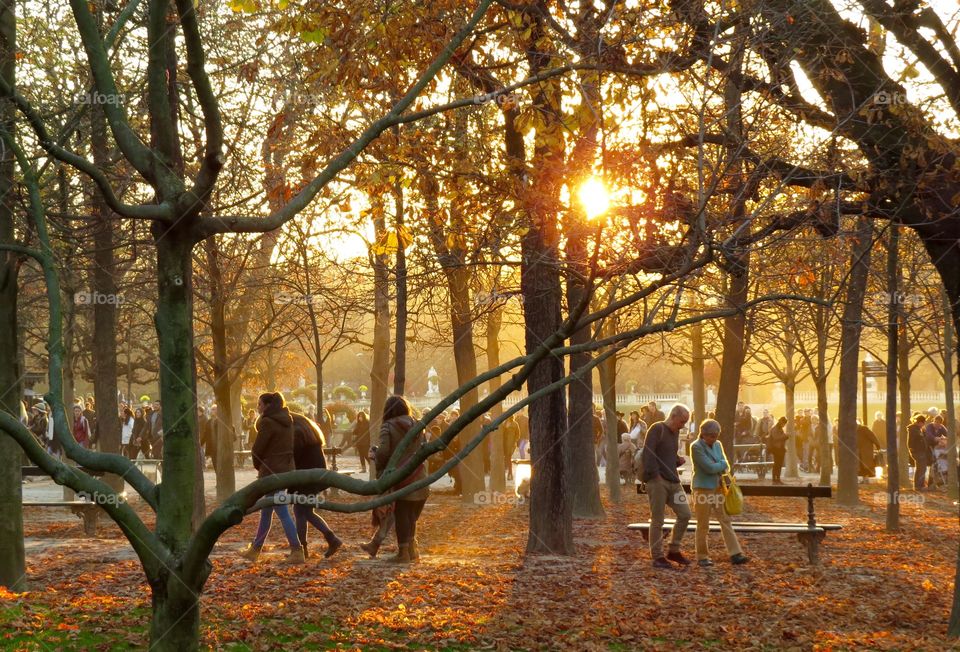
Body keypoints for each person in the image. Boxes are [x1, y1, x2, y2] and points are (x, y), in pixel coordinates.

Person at [240, 392, 304, 564]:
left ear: (268, 406)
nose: (257, 407)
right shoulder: (287, 420)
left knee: (281, 510)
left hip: (271, 470)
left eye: (260, 404)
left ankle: (297, 550)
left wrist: (259, 466)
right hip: (285, 468)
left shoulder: (267, 422)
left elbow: (257, 449)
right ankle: (255, 549)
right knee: (266, 510)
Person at [373, 395, 429, 563]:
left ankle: (403, 553)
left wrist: (375, 456)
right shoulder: (418, 424)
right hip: (420, 475)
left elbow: (383, 452)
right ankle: (412, 550)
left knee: (402, 514)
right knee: (412, 516)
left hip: (401, 477)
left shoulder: (388, 426)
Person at [690, 419, 748, 567]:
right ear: (703, 434)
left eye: (716, 436)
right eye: (711, 436)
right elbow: (708, 468)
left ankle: (735, 553)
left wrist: (720, 464)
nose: (714, 439)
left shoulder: (718, 444)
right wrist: (720, 464)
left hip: (718, 488)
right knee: (703, 524)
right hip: (702, 489)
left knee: (725, 520)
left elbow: (726, 464)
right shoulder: (696, 447)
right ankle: (702, 556)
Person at [640, 404, 692, 569]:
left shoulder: (675, 433)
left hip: (674, 481)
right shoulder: (657, 429)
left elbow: (667, 453)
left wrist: (677, 460)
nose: (683, 425)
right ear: (673, 416)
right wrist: (656, 475)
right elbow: (648, 453)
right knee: (658, 519)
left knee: (685, 514)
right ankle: (658, 556)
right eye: (682, 421)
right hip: (658, 481)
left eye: (685, 422)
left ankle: (673, 550)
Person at [290, 411, 342, 559]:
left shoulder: (297, 432)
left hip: (306, 477)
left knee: (300, 511)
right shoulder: (309, 430)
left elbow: (295, 456)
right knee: (306, 511)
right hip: (315, 475)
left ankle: (303, 548)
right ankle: (330, 539)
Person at [924, 415, 949, 488]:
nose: (936, 424)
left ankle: (939, 482)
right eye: (935, 422)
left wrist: (944, 439)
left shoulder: (942, 428)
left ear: (941, 423)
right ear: (933, 421)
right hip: (928, 447)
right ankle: (930, 483)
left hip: (937, 449)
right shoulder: (929, 426)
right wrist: (936, 438)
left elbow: (947, 435)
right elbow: (929, 435)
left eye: (938, 423)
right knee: (932, 464)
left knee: (939, 464)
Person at [907, 414, 930, 490]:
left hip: (919, 451)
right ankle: (920, 486)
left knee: (919, 468)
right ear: (920, 422)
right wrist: (913, 449)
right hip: (918, 451)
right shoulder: (914, 430)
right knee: (922, 469)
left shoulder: (917, 429)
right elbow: (911, 441)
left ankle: (917, 486)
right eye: (923, 423)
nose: (924, 424)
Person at [767, 416, 789, 484]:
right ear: (781, 422)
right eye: (784, 424)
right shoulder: (775, 429)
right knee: (777, 464)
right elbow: (776, 438)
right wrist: (786, 436)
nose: (784, 425)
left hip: (780, 448)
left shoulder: (778, 428)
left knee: (779, 464)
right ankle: (775, 479)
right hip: (777, 449)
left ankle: (777, 479)